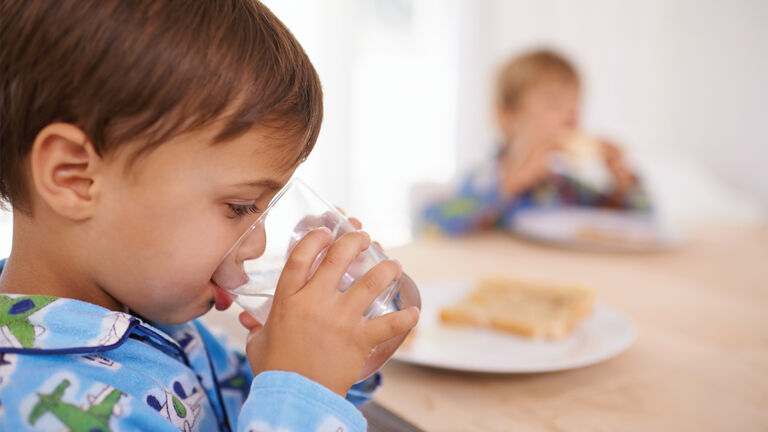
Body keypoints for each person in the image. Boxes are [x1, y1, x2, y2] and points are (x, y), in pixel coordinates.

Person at [0, 1, 418, 431]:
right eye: (238, 207)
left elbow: (252, 405)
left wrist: (319, 353)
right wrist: (302, 388)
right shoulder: (32, 407)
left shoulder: (151, 315)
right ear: (74, 178)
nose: (255, 243)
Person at [421, 49, 651, 235]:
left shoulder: (563, 186)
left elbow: (636, 225)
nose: (571, 116)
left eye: (576, 103)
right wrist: (514, 183)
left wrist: (623, 185)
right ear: (507, 115)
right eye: (554, 102)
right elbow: (433, 225)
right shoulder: (484, 178)